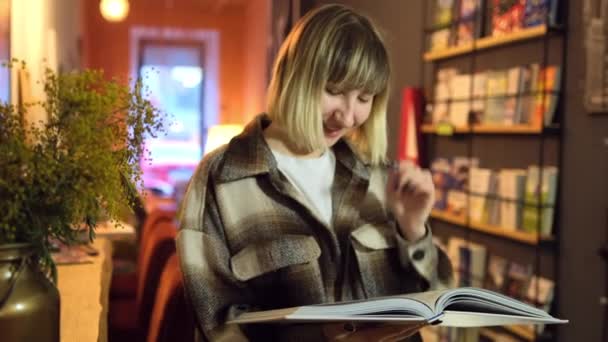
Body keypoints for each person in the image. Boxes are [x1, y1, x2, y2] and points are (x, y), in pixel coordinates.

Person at [177, 4, 453, 341]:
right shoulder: (222, 180)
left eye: (364, 98)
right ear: (295, 76)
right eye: (334, 91)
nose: (348, 117)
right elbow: (216, 327)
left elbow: (437, 307)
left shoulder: (382, 178)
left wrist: (413, 230)